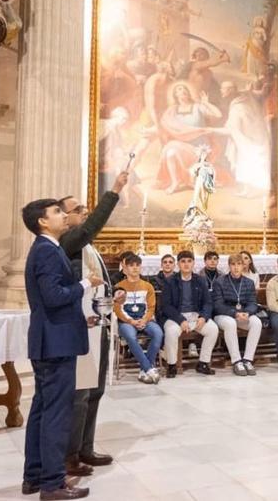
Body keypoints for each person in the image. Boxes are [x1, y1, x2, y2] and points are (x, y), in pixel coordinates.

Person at [20, 198, 102, 500]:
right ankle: (52, 484)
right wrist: (84, 284)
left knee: (43, 411)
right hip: (55, 343)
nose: (63, 215)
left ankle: (35, 476)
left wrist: (83, 316)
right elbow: (54, 296)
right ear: (43, 221)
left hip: (53, 337)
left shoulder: (49, 249)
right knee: (55, 414)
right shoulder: (46, 251)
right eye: (56, 211)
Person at [57, 172, 127, 477]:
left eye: (86, 209)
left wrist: (113, 295)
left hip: (99, 323)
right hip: (80, 325)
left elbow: (96, 282)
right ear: (63, 217)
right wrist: (114, 190)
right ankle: (70, 455)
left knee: (95, 390)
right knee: (80, 393)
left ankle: (86, 447)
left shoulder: (87, 246)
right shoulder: (68, 240)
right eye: (79, 210)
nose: (85, 213)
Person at [158, 251, 218, 378]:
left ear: (194, 263)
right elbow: (166, 306)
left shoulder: (200, 280)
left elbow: (208, 303)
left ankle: (203, 363)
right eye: (183, 261)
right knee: (171, 331)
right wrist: (181, 320)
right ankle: (172, 365)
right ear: (178, 264)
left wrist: (203, 317)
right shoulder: (170, 282)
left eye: (189, 261)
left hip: (195, 315)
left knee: (213, 329)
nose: (186, 264)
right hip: (175, 316)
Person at [113, 253, 164, 384]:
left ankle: (143, 370)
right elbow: (117, 309)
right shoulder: (119, 286)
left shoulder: (148, 286)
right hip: (126, 320)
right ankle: (149, 368)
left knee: (158, 333)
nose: (135, 268)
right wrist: (131, 321)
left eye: (137, 265)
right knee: (130, 336)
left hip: (145, 319)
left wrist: (144, 320)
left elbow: (151, 307)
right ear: (125, 269)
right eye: (131, 265)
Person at [212, 255, 263, 376]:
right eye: (233, 264)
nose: (236, 268)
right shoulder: (219, 282)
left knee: (257, 322)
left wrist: (248, 313)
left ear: (243, 266)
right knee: (230, 323)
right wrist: (234, 313)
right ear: (229, 266)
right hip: (223, 315)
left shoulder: (248, 282)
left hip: (243, 314)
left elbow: (252, 303)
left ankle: (248, 359)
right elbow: (218, 305)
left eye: (239, 264)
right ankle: (236, 361)